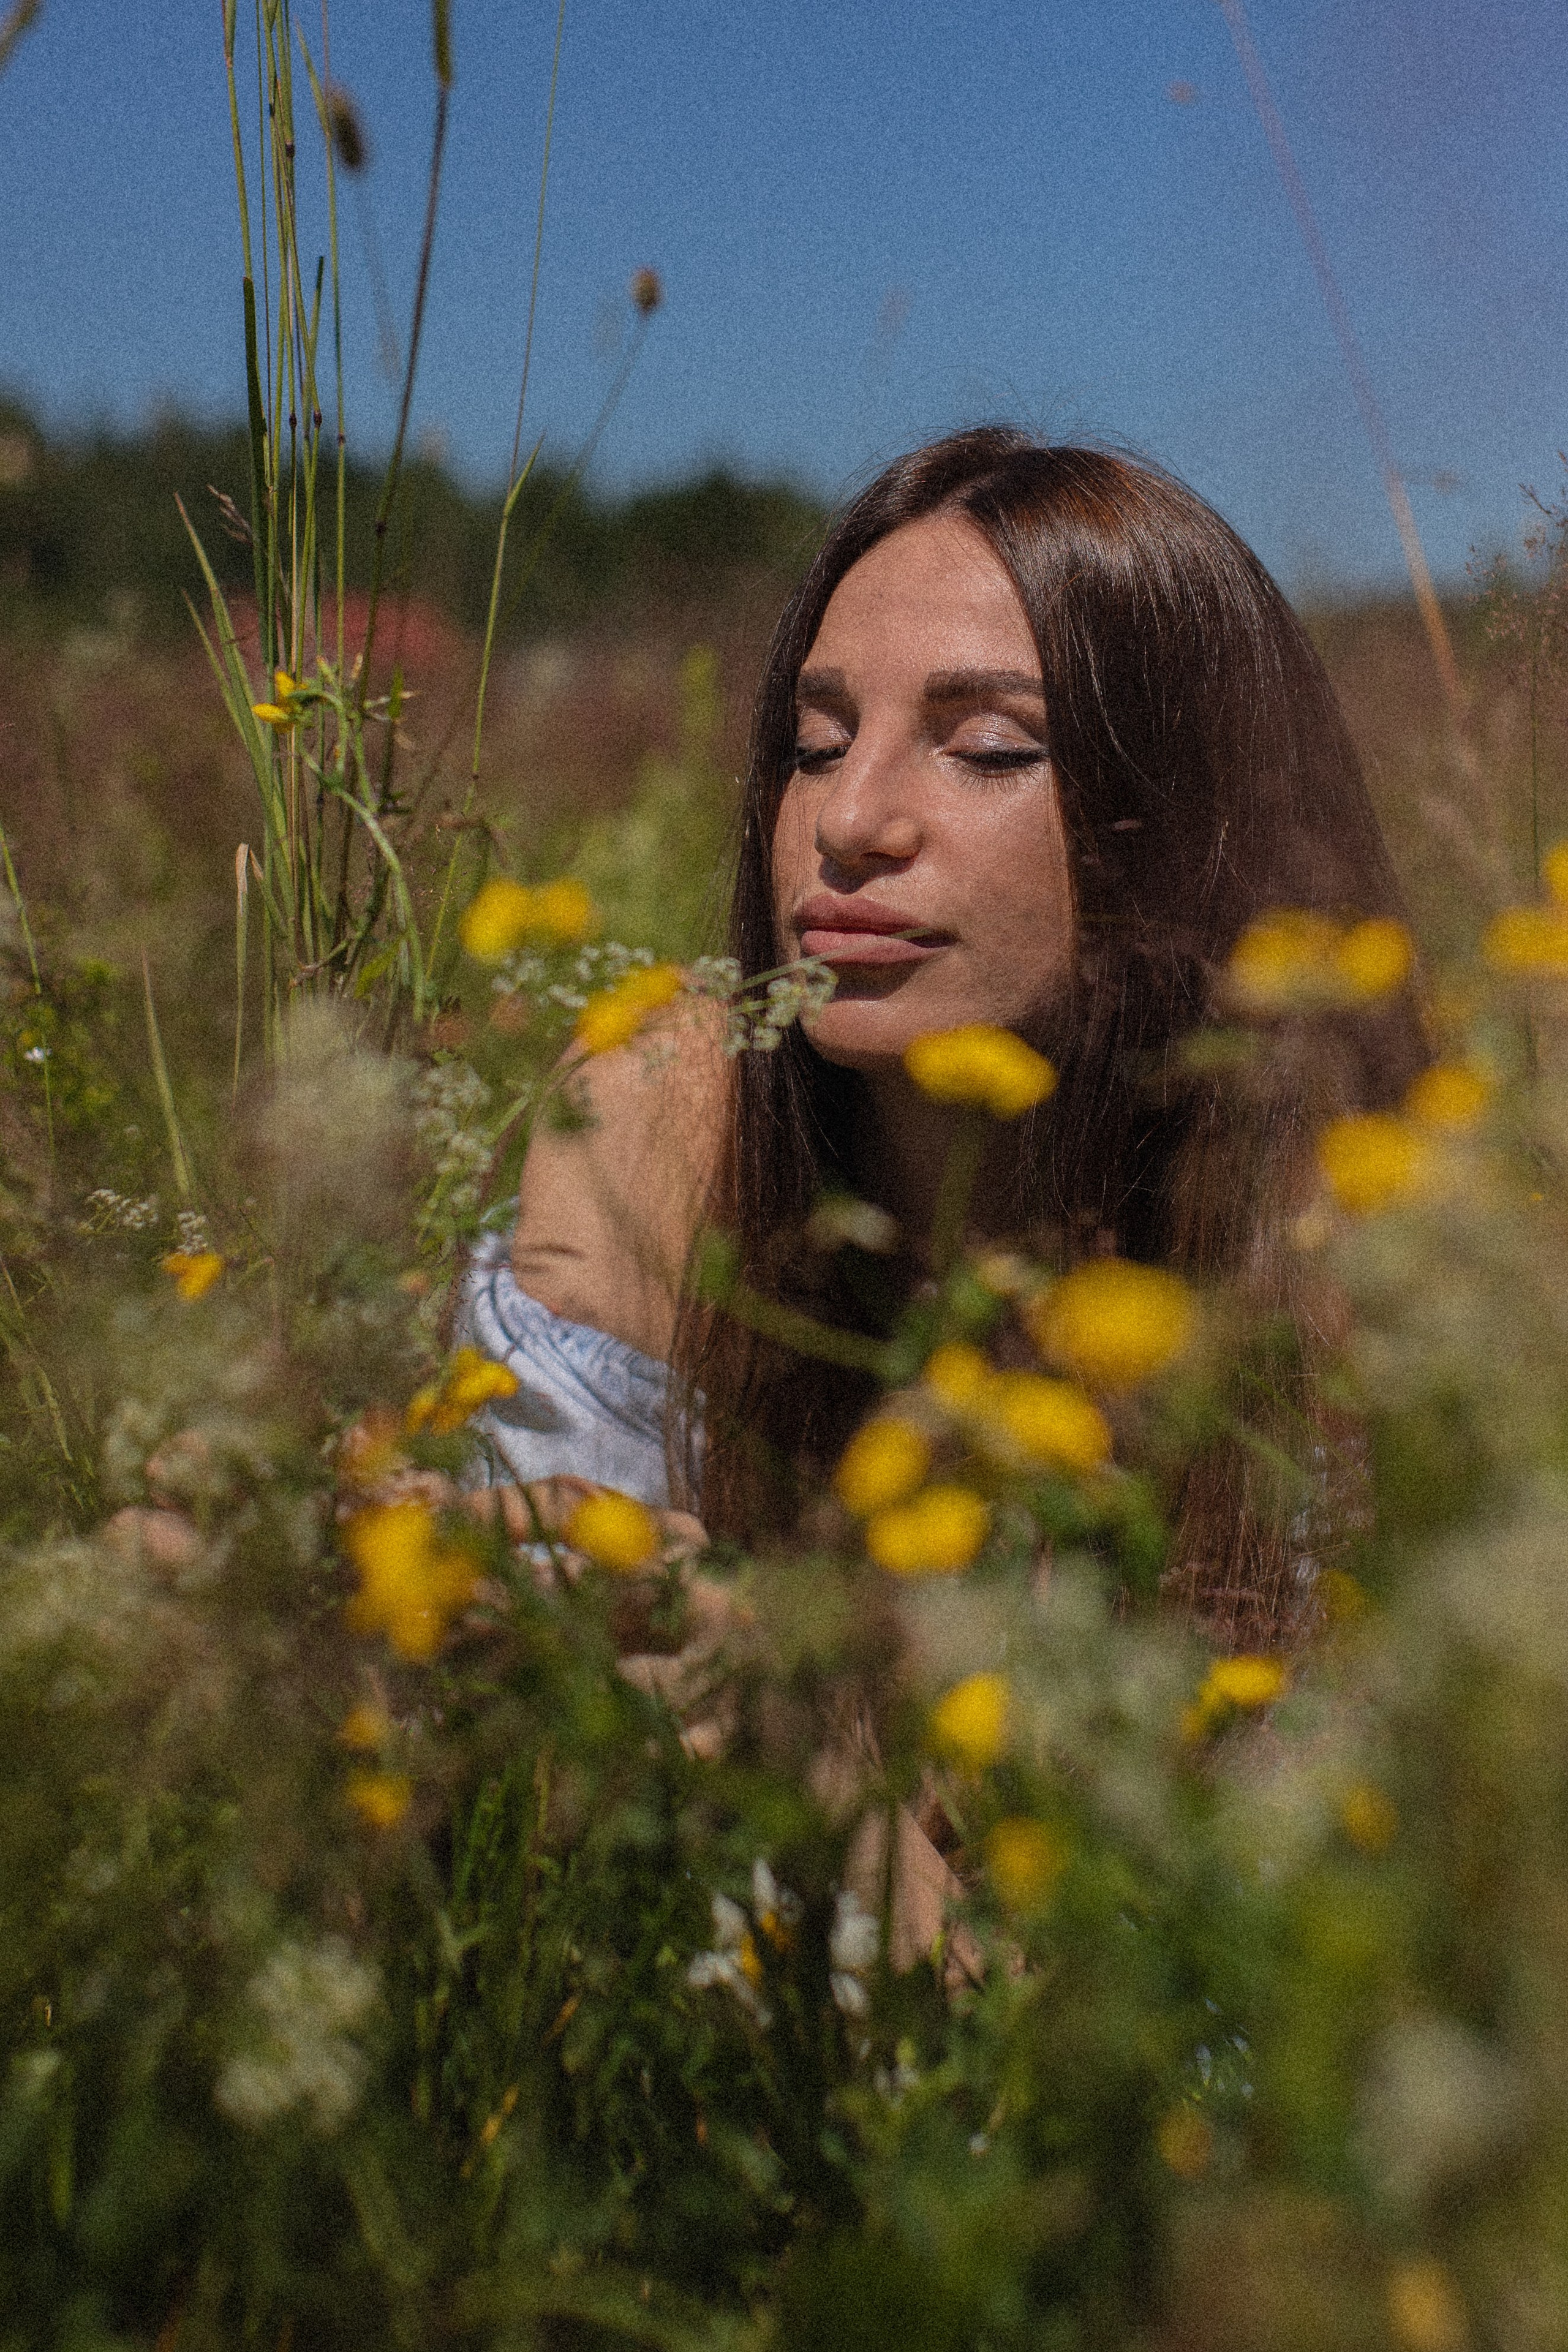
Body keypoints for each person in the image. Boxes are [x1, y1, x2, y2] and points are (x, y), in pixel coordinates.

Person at [459, 424, 1423, 1651]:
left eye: (987, 750)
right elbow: (524, 1712)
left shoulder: (1364, 1255)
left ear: (1188, 824)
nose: (846, 819)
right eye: (814, 747)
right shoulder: (662, 1121)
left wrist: (807, 1725)